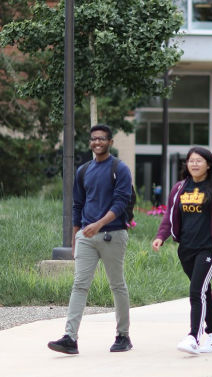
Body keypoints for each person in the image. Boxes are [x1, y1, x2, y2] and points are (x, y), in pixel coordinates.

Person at [48, 125, 133, 355]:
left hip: (112, 234)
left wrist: (99, 224)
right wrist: (76, 234)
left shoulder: (120, 169)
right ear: (90, 142)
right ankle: (70, 338)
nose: (97, 142)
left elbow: (121, 202)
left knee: (117, 285)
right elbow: (78, 205)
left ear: (110, 142)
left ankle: (123, 336)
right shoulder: (83, 170)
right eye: (94, 139)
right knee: (79, 285)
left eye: (102, 139)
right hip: (85, 236)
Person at [152, 146, 212, 355]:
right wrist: (161, 236)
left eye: (199, 160)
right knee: (203, 291)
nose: (195, 164)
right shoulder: (180, 188)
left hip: (209, 247)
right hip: (186, 249)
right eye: (191, 160)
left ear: (208, 164)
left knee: (196, 290)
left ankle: (193, 336)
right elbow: (169, 215)